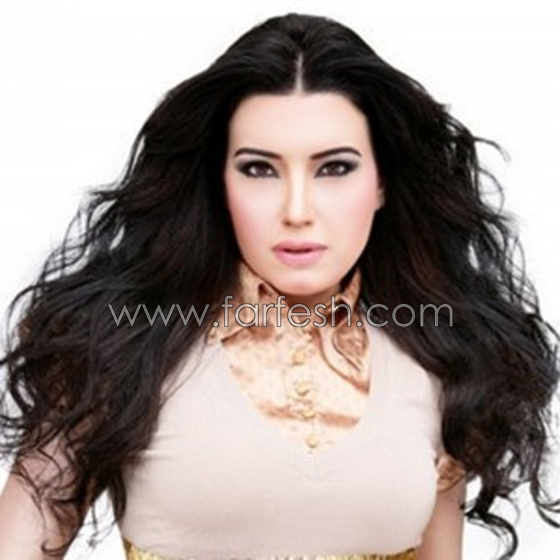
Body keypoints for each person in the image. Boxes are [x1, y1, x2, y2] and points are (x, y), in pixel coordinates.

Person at [0, 11, 559, 560]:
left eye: (334, 168)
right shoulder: (115, 346)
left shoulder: (443, 357)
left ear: (382, 181)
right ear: (219, 183)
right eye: (259, 169)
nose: (297, 210)